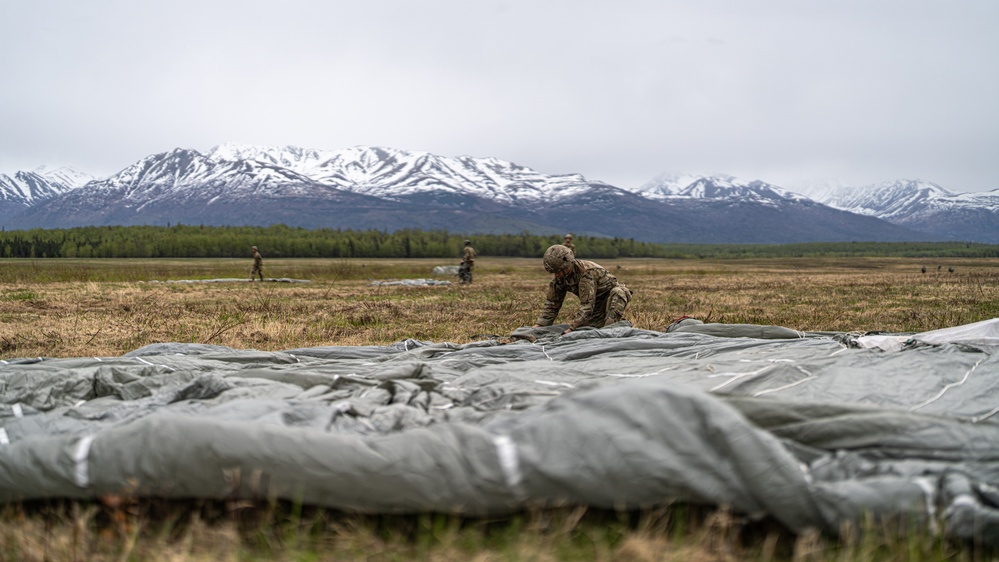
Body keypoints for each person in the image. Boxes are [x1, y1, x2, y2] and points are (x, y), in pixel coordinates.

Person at [534, 244, 631, 333]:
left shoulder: (587, 274)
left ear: (569, 264)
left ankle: (612, 326)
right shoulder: (560, 278)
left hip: (611, 299)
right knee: (590, 330)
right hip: (596, 306)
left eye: (560, 271)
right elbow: (552, 304)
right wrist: (540, 325)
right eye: (555, 272)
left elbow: (587, 306)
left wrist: (571, 329)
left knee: (607, 331)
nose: (558, 275)